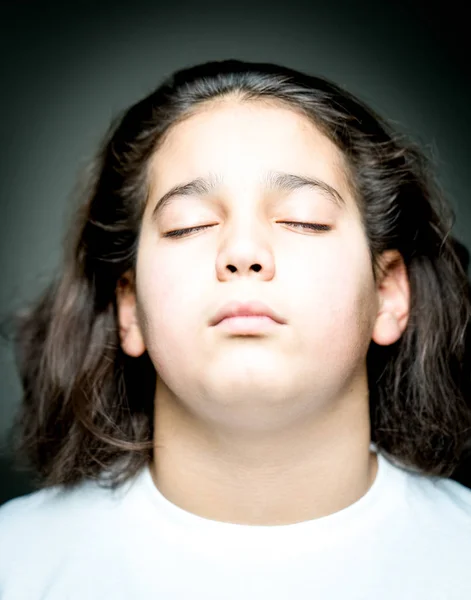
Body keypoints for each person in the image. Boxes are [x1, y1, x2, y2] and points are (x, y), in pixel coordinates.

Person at [1, 59, 471, 599]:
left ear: (388, 293)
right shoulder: (14, 563)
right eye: (189, 225)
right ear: (129, 308)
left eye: (303, 219)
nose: (243, 252)